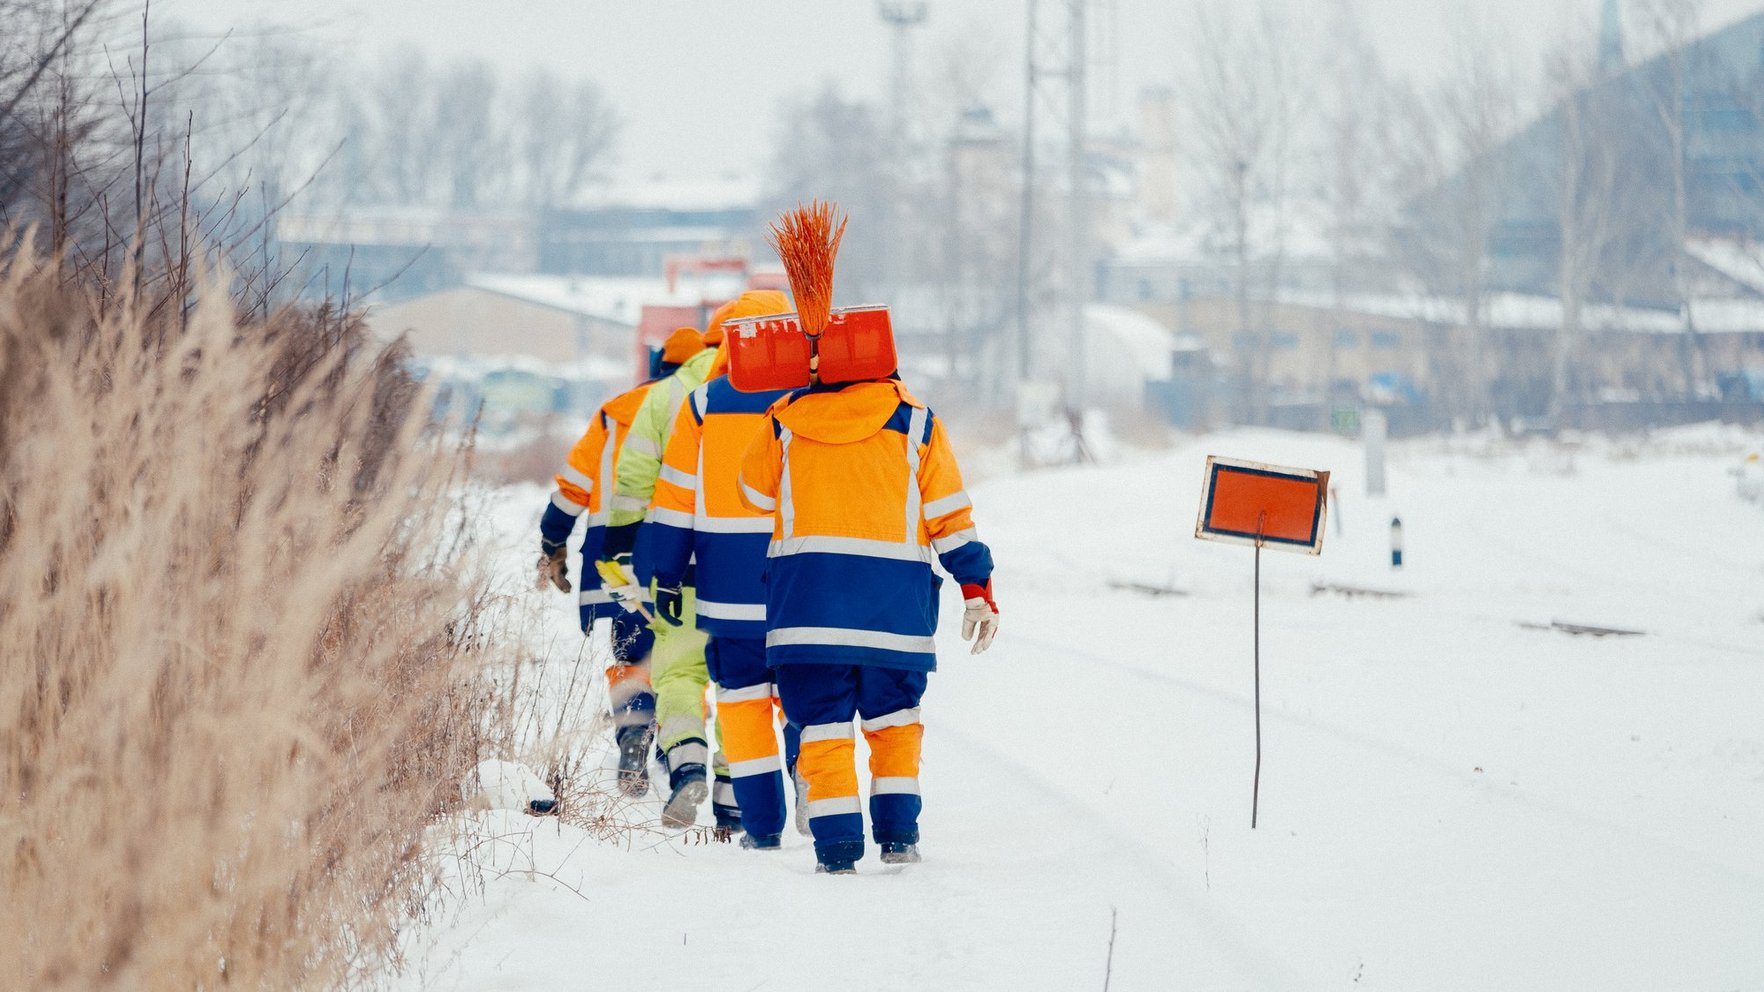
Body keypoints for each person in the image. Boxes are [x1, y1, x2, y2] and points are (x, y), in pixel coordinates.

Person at [737, 204, 1000, 874]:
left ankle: (836, 846)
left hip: (809, 616)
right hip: (896, 615)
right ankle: (899, 837)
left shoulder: (785, 425)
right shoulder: (915, 426)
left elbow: (751, 494)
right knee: (895, 726)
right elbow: (950, 517)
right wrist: (976, 589)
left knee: (821, 731)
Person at [608, 289, 790, 832]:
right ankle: (738, 795)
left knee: (682, 669)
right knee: (758, 688)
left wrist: (638, 564)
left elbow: (647, 485)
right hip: (783, 574)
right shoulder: (808, 398)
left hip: (696, 565)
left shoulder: (688, 398)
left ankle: (686, 761)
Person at [537, 326, 705, 797]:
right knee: (681, 664)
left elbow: (573, 486)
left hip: (617, 558)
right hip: (684, 558)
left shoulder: (614, 414)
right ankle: (680, 755)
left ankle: (634, 732)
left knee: (632, 656)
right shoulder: (707, 406)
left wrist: (553, 542)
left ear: (659, 365)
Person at [648, 349, 805, 850]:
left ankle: (760, 828)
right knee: (807, 696)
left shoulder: (703, 404)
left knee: (742, 706)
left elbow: (674, 497)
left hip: (728, 596)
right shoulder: (811, 396)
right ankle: (814, 785)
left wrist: (667, 574)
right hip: (799, 588)